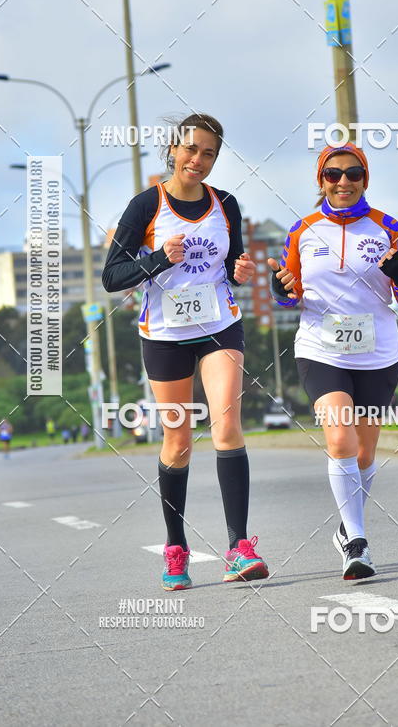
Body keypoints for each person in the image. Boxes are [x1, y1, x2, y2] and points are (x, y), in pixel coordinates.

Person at [102, 113, 269, 590]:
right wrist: (158, 259)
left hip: (220, 324)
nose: (198, 160)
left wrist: (242, 270)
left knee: (227, 424)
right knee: (177, 440)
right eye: (191, 149)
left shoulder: (227, 204)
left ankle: (238, 548)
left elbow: (233, 264)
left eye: (209, 153)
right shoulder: (144, 206)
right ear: (173, 150)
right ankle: (176, 548)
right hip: (165, 333)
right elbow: (112, 278)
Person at [268, 143, 398, 580]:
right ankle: (356, 542)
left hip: (377, 353)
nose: (343, 182)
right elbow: (289, 294)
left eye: (353, 173)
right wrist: (282, 292)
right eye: (333, 174)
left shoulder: (387, 226)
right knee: (340, 441)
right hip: (321, 349)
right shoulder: (302, 230)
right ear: (321, 181)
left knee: (366, 451)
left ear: (364, 179)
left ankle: (345, 526)